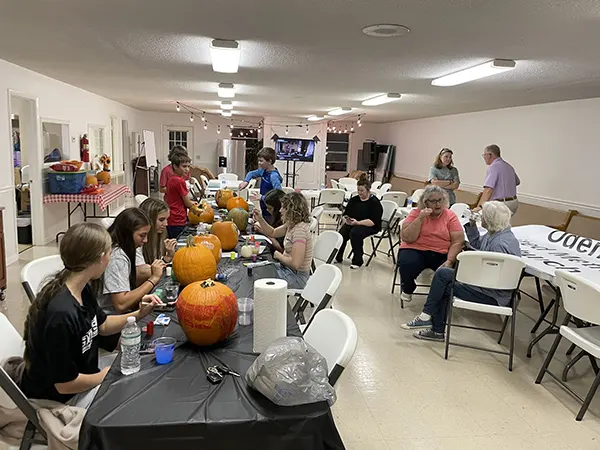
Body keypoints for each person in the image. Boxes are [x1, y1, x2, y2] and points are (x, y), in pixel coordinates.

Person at [20, 223, 161, 407]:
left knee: (146, 371)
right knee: (137, 399)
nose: (109, 259)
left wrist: (139, 313)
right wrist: (105, 375)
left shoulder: (81, 287)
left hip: (88, 372)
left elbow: (101, 326)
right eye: (109, 253)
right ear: (100, 257)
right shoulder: (61, 314)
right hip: (62, 397)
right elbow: (64, 385)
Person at [402, 201, 522, 341]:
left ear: (489, 219)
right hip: (488, 286)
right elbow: (478, 244)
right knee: (444, 284)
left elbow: (492, 279)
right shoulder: (497, 234)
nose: (480, 218)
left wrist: (466, 274)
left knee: (443, 276)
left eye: (482, 216)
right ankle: (433, 327)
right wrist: (471, 225)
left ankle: (429, 320)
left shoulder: (499, 244)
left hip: (492, 293)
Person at [397, 185, 465, 303]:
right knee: (406, 261)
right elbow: (407, 238)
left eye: (440, 200)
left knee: (449, 271)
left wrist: (450, 260)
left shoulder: (450, 216)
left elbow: (458, 241)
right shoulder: (416, 213)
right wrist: (420, 218)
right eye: (433, 201)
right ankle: (408, 288)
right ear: (425, 202)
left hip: (441, 252)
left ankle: (437, 302)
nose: (437, 204)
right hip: (416, 248)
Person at [101, 208, 166, 315]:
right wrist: (153, 279)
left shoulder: (124, 248)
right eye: (142, 235)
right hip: (112, 318)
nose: (145, 241)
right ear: (127, 233)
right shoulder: (117, 257)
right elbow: (121, 304)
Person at [253, 192, 314, 289]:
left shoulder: (299, 231)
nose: (280, 211)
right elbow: (272, 232)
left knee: (259, 279)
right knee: (259, 269)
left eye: (283, 208)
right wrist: (260, 219)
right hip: (287, 269)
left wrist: (278, 255)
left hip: (296, 277)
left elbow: (295, 264)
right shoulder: (292, 224)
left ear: (291, 210)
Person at [336, 176, 384, 269]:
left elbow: (373, 221)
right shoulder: (354, 200)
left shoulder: (375, 203)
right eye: (358, 190)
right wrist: (347, 220)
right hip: (354, 223)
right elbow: (346, 214)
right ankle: (338, 257)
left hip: (370, 226)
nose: (359, 192)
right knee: (342, 233)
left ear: (368, 190)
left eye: (362, 190)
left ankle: (357, 260)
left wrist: (358, 223)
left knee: (355, 233)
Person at [137, 198, 178, 282]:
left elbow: (155, 266)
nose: (166, 224)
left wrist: (168, 257)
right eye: (161, 220)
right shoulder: (137, 242)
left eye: (167, 219)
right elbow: (143, 273)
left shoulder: (158, 234)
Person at [239, 147, 283, 221]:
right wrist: (246, 181)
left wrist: (262, 197)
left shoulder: (273, 176)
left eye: (261, 161)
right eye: (258, 161)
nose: (259, 163)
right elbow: (251, 173)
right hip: (264, 208)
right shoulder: (263, 171)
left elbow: (278, 195)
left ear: (269, 161)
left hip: (271, 212)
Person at [476, 144, 520, 215]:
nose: (484, 157)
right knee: (504, 224)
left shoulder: (493, 167)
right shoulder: (508, 166)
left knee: (492, 224)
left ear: (490, 155)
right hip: (513, 203)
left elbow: (488, 190)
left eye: (484, 155)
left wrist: (480, 206)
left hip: (501, 204)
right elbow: (517, 182)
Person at [165, 152, 195, 238]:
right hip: (178, 218)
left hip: (171, 217)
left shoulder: (171, 179)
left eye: (188, 166)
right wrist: (198, 207)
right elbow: (187, 203)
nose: (187, 169)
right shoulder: (180, 181)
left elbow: (178, 199)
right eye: (184, 166)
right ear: (175, 166)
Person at [254, 188, 286, 253]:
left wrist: (264, 231)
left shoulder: (285, 223)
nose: (267, 210)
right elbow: (272, 232)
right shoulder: (275, 218)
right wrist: (260, 221)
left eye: (270, 208)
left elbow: (281, 249)